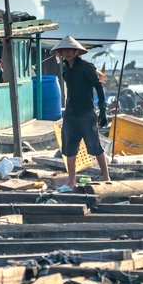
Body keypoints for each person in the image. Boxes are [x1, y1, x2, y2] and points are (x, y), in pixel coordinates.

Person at [50, 37, 110, 183]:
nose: (68, 53)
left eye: (70, 50)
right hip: (70, 114)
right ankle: (72, 181)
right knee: (69, 148)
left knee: (95, 146)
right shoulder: (65, 69)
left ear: (76, 51)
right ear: (61, 52)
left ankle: (107, 177)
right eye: (65, 50)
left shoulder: (86, 67)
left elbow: (98, 87)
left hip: (86, 112)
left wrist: (102, 110)